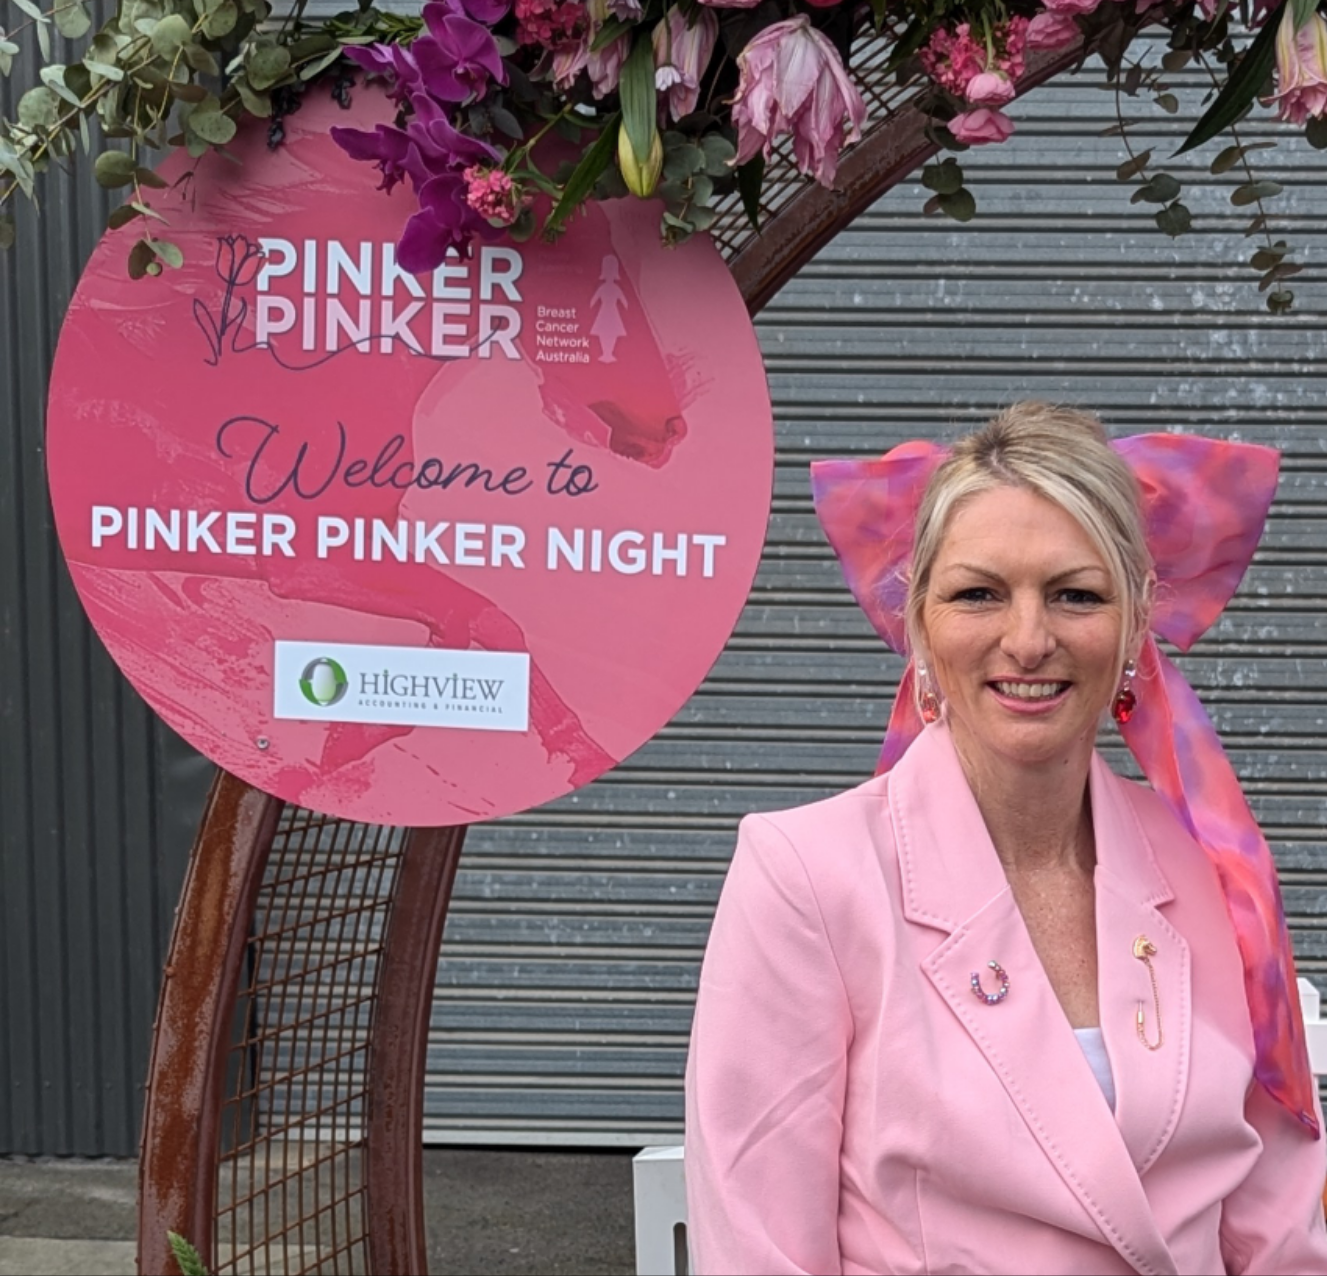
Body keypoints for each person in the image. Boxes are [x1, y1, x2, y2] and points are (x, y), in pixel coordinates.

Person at [684, 403, 1327, 1276]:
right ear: (915, 623)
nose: (1027, 640)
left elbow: (1278, 1225)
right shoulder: (806, 875)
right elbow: (756, 1247)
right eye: (977, 593)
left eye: (1075, 594)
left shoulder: (1211, 869)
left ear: (1136, 623)